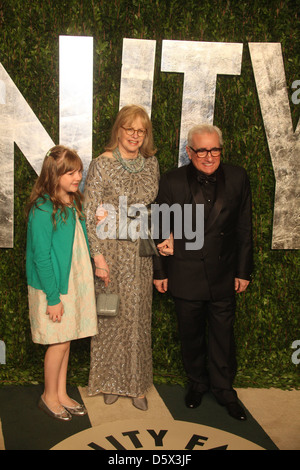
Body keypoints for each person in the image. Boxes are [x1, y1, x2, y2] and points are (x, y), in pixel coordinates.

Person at [153, 123, 253, 421]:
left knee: (223, 335)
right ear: (189, 151)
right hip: (185, 273)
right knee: (191, 335)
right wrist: (160, 272)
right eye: (201, 150)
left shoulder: (238, 177)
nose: (208, 156)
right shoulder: (171, 181)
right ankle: (197, 383)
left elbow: (244, 228)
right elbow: (158, 229)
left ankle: (224, 389)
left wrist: (244, 271)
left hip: (224, 274)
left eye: (214, 150)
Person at [84, 105, 160, 411]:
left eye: (140, 131)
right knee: (111, 316)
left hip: (140, 256)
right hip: (111, 256)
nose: (135, 136)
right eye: (130, 129)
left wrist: (112, 215)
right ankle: (110, 382)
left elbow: (149, 208)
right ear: (119, 130)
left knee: (138, 320)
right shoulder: (100, 164)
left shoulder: (151, 164)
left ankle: (136, 386)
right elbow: (90, 214)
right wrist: (98, 257)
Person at [26, 145, 98, 421]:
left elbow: (80, 240)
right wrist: (53, 298)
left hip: (72, 282)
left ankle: (61, 393)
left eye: (79, 170)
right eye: (70, 172)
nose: (78, 176)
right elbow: (41, 257)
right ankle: (49, 396)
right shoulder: (43, 209)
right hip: (52, 287)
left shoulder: (73, 201)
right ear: (53, 175)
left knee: (65, 341)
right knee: (57, 342)